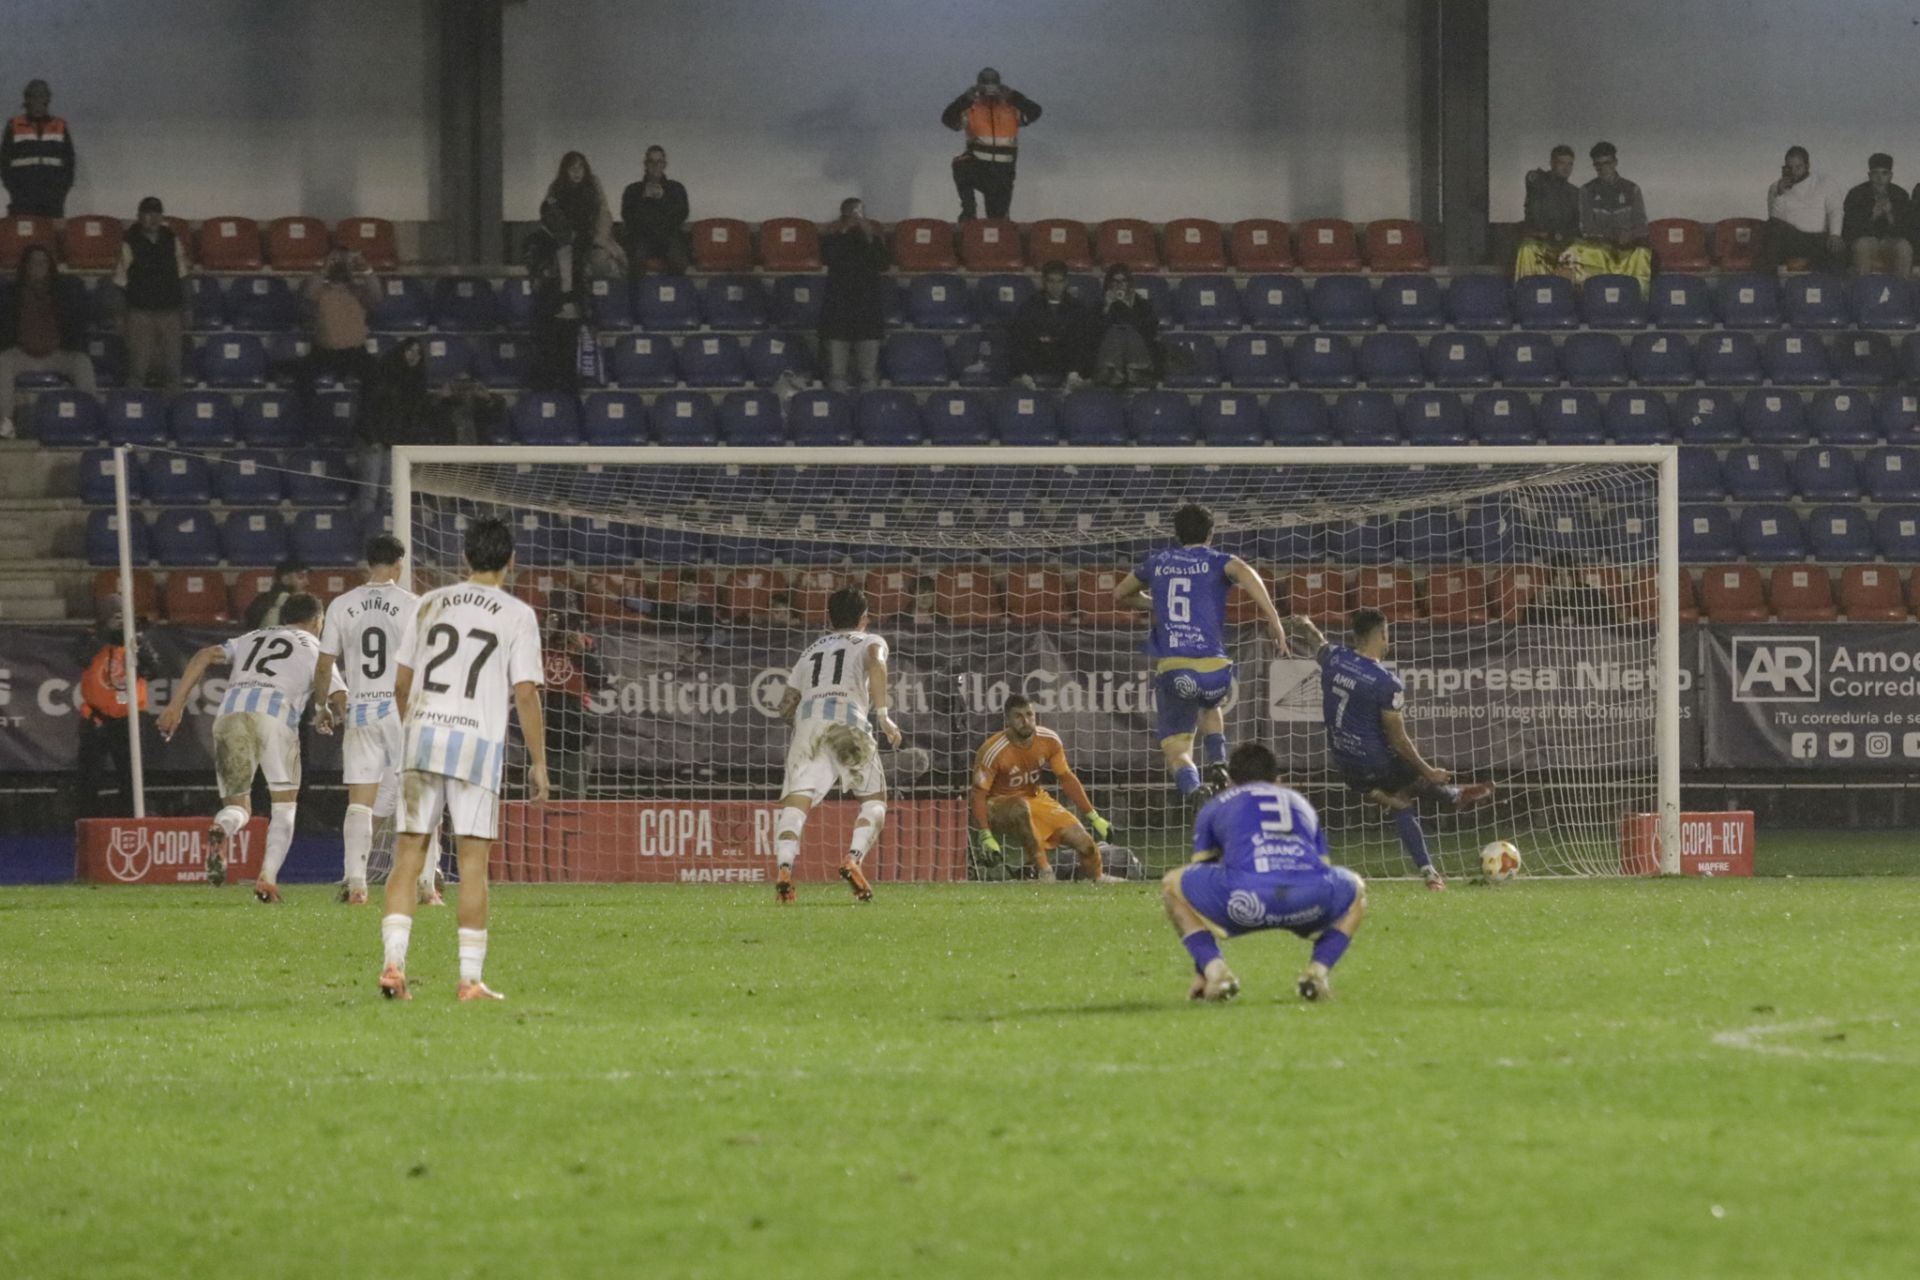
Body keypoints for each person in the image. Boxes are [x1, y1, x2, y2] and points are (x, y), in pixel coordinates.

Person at [381, 516, 549, 1002]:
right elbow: (524, 692)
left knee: (408, 856)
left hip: (422, 737)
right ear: (511, 561)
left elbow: (401, 683)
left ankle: (393, 965)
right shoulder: (517, 614)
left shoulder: (429, 603)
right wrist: (538, 761)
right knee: (473, 864)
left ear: (465, 559)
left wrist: (414, 730)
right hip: (476, 744)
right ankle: (469, 980)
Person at [1288, 610, 1494, 892]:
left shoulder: (1335, 658)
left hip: (1343, 761)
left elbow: (1316, 640)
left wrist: (1304, 622)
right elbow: (1399, 740)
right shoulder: (1386, 682)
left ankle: (1430, 872)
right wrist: (1429, 771)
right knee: (1408, 772)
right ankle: (1450, 796)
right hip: (1374, 762)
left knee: (1401, 800)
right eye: (1388, 634)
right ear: (1383, 634)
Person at [155, 592, 340, 901]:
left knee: (237, 806)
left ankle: (222, 829)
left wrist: (176, 705)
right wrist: (329, 708)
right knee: (284, 806)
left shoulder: (253, 637)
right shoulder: (314, 646)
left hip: (229, 716)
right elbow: (334, 689)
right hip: (274, 717)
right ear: (317, 621)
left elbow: (203, 655)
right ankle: (267, 879)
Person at [1158, 742, 1366, 1003]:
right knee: (1356, 888)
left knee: (1172, 885)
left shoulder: (1217, 803)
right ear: (1278, 780)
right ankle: (1318, 972)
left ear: (1231, 782)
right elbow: (1321, 865)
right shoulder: (1300, 803)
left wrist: (1199, 967)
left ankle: (1215, 972)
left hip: (1246, 905)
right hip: (1309, 904)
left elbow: (1204, 868)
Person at [1110, 503, 1287, 801]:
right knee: (1209, 702)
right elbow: (1245, 572)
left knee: (1177, 751)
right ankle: (1218, 761)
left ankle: (1194, 791)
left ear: (1177, 534)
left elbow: (1119, 594)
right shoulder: (1217, 560)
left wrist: (1156, 604)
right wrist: (1274, 619)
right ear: (1211, 533)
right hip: (1215, 669)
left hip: (1176, 670)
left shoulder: (1158, 562)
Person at [313, 535, 434, 907]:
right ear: (399, 563)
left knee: (359, 804)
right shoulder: (413, 604)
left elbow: (324, 664)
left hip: (361, 707)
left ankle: (356, 884)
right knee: (422, 797)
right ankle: (427, 887)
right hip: (401, 707)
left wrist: (322, 706)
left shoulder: (341, 604)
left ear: (368, 563)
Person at [770, 585, 901, 905]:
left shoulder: (810, 651)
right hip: (849, 723)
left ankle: (785, 870)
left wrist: (805, 728)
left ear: (829, 619)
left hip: (808, 726)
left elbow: (786, 705)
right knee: (874, 800)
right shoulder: (871, 641)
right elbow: (876, 662)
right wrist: (884, 716)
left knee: (795, 804)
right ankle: (853, 858)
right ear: (865, 619)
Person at [971, 694, 1116, 882]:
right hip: (996, 805)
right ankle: (1045, 873)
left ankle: (1098, 878)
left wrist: (1094, 817)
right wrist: (985, 834)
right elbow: (978, 795)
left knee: (1086, 845)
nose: (1026, 721)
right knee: (1020, 807)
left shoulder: (1049, 740)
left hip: (1035, 799)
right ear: (1007, 720)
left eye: (1029, 714)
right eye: (1018, 716)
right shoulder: (992, 750)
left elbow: (1066, 778)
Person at [0, 244, 95, 439]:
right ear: (25, 265)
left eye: (43, 261)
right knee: (3, 362)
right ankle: (5, 422)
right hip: (22, 353)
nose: (39, 265)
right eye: (34, 261)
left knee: (82, 363)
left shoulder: (63, 291)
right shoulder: (11, 293)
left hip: (57, 353)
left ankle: (90, 418)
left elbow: (77, 321)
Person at [75, 604, 160, 819]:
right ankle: (87, 823)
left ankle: (131, 820)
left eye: (124, 619)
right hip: (96, 716)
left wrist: (140, 649)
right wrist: (103, 637)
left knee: (131, 775)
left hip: (129, 716)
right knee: (89, 776)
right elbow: (79, 658)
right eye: (115, 619)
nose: (120, 625)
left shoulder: (136, 642)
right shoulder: (91, 640)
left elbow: (153, 672)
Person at [110, 197, 191, 395]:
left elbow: (183, 276)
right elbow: (119, 283)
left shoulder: (172, 239)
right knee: (138, 367)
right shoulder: (128, 242)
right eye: (148, 214)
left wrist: (187, 308)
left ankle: (174, 413)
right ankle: (134, 413)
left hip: (170, 311)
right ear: (139, 217)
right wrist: (119, 316)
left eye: (157, 214)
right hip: (140, 312)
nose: (153, 218)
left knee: (173, 367)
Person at [940, 67, 1042, 222]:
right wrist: (966, 98)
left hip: (1003, 173)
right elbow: (948, 119)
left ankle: (994, 235)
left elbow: (1035, 112)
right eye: (985, 87)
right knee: (960, 164)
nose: (990, 92)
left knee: (997, 220)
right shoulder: (971, 108)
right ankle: (969, 212)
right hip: (978, 167)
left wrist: (1013, 96)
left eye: (993, 86)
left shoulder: (1012, 108)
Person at [292, 247, 380, 407]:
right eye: (336, 261)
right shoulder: (320, 291)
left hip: (356, 352)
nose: (340, 265)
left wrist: (366, 268)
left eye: (344, 262)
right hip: (324, 352)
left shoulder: (359, 292)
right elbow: (308, 294)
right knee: (302, 374)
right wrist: (324, 268)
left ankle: (366, 425)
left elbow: (377, 295)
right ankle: (313, 420)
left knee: (376, 376)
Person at [523, 198, 594, 395]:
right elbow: (537, 275)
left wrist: (582, 304)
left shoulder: (578, 242)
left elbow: (585, 275)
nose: (558, 219)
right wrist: (558, 251)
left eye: (561, 214)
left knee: (569, 369)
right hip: (548, 311)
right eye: (552, 215)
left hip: (573, 310)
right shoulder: (534, 241)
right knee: (546, 366)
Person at [818, 198, 889, 393]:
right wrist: (842, 231)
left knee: (868, 374)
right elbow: (827, 257)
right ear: (843, 214)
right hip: (838, 312)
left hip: (867, 312)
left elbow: (883, 263)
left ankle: (869, 414)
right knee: (837, 374)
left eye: (859, 214)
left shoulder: (872, 235)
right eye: (852, 213)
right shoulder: (833, 234)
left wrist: (869, 235)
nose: (856, 218)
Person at [541, 587, 605, 799]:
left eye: (570, 620)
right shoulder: (536, 645)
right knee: (537, 798)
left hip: (575, 735)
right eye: (560, 619)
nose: (564, 626)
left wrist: (581, 653)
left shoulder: (585, 647)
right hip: (541, 733)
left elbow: (600, 681)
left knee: (574, 800)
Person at [1574, 141, 1653, 293]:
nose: (1602, 168)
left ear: (1615, 162)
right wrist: (1612, 237)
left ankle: (1637, 302)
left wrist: (1630, 235)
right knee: (1583, 252)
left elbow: (1642, 226)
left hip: (1627, 248)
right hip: (1600, 248)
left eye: (1607, 163)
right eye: (1598, 164)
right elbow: (1586, 228)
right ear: (1594, 166)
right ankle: (1596, 301)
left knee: (1643, 254)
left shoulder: (1632, 189)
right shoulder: (1586, 191)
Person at [1009, 259, 1090, 388]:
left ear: (1066, 282)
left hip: (1065, 361)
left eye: (1059, 281)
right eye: (1050, 281)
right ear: (1043, 282)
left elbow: (1082, 343)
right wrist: (1024, 371)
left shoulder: (1077, 308)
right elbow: (1020, 340)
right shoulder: (1029, 306)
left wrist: (1075, 371)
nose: (1055, 286)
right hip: (1037, 360)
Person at [545, 150, 626, 278]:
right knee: (564, 268)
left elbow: (604, 215)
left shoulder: (593, 185)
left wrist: (599, 239)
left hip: (594, 240)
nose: (576, 172)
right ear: (565, 171)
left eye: (580, 167)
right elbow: (551, 219)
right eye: (572, 168)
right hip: (569, 244)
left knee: (601, 262)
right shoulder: (556, 189)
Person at [2, 79, 75, 217]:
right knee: (23, 236)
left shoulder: (60, 126)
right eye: (33, 96)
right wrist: (15, 190)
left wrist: (61, 191)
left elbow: (69, 162)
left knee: (49, 236)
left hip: (53, 200)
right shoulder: (14, 125)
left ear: (47, 99)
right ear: (27, 99)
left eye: (41, 95)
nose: (37, 100)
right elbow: (4, 163)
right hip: (22, 200)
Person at [1764, 146, 1843, 273]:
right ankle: (1768, 284)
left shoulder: (1825, 182)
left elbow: (1835, 210)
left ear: (1807, 165)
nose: (1794, 171)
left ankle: (1833, 288)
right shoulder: (1775, 187)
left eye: (1798, 167)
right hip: (1794, 239)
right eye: (1790, 167)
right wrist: (1780, 194)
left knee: (1837, 246)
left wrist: (1835, 234)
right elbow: (1774, 219)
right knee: (1771, 227)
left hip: (1819, 238)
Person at [1512, 144, 1580, 280]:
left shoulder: (1575, 193)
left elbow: (1576, 223)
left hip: (1564, 242)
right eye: (1561, 163)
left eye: (1570, 164)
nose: (1566, 168)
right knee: (1527, 249)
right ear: (1552, 163)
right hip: (1540, 240)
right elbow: (1532, 178)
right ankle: (1528, 292)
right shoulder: (1539, 181)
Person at [619, 145, 690, 275]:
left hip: (669, 237)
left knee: (679, 259)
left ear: (665, 164)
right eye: (651, 161)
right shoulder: (632, 190)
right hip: (642, 238)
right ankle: (638, 294)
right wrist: (643, 198)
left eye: (660, 162)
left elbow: (681, 215)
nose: (656, 165)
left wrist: (664, 199)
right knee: (635, 256)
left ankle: (672, 293)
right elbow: (628, 218)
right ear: (646, 164)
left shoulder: (676, 188)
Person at [1843, 153, 1912, 277]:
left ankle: (1902, 292)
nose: (1880, 178)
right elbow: (1850, 230)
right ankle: (1864, 292)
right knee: (1862, 245)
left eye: (1884, 173)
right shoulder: (1856, 194)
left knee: (1904, 247)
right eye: (1875, 173)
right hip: (1866, 242)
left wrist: (1890, 215)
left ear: (1891, 176)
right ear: (1869, 175)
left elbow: (1907, 231)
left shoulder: (1900, 194)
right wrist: (1873, 215)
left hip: (1890, 243)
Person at [1090, 265, 1159, 387]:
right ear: (1109, 284)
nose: (1119, 285)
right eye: (1115, 281)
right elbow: (1094, 333)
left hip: (1138, 351)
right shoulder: (1099, 306)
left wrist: (1128, 308)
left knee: (1125, 329)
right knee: (1116, 331)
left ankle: (1130, 370)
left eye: (1123, 281)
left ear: (1129, 284)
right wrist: (1106, 308)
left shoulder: (1142, 305)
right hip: (1106, 352)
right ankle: (1117, 371)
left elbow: (1149, 332)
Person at [243, 559, 311, 630]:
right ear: (285, 579)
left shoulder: (260, 600)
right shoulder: (294, 604)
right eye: (301, 577)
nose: (307, 582)